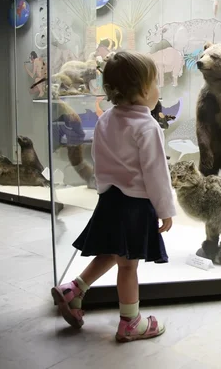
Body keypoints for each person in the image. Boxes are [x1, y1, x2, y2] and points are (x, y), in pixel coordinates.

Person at [50, 51, 176, 343]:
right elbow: (156, 173)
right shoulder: (148, 127)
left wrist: (104, 190)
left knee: (113, 250)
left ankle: (74, 290)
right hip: (135, 204)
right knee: (128, 265)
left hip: (110, 200)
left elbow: (98, 158)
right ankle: (131, 322)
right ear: (144, 90)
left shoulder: (106, 119)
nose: (159, 89)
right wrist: (165, 209)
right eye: (156, 83)